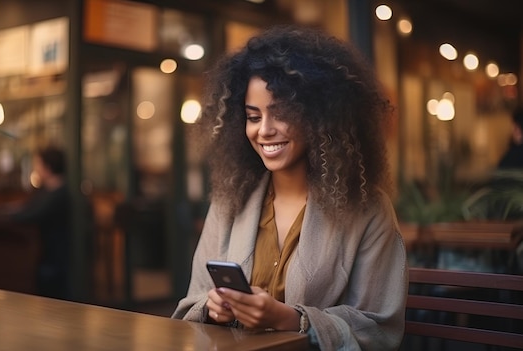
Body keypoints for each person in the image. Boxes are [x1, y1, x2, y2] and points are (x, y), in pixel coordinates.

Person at [171, 25, 408, 350]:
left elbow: (378, 328)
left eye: (280, 113)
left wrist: (290, 319)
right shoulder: (229, 201)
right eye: (253, 117)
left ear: (320, 117)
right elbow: (191, 304)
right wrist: (212, 309)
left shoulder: (367, 209)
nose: (264, 130)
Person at [10, 145, 72, 300]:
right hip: (45, 254)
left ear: (48, 167)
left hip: (56, 257)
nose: (36, 168)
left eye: (38, 164)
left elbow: (31, 214)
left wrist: (8, 215)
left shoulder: (59, 194)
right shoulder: (46, 191)